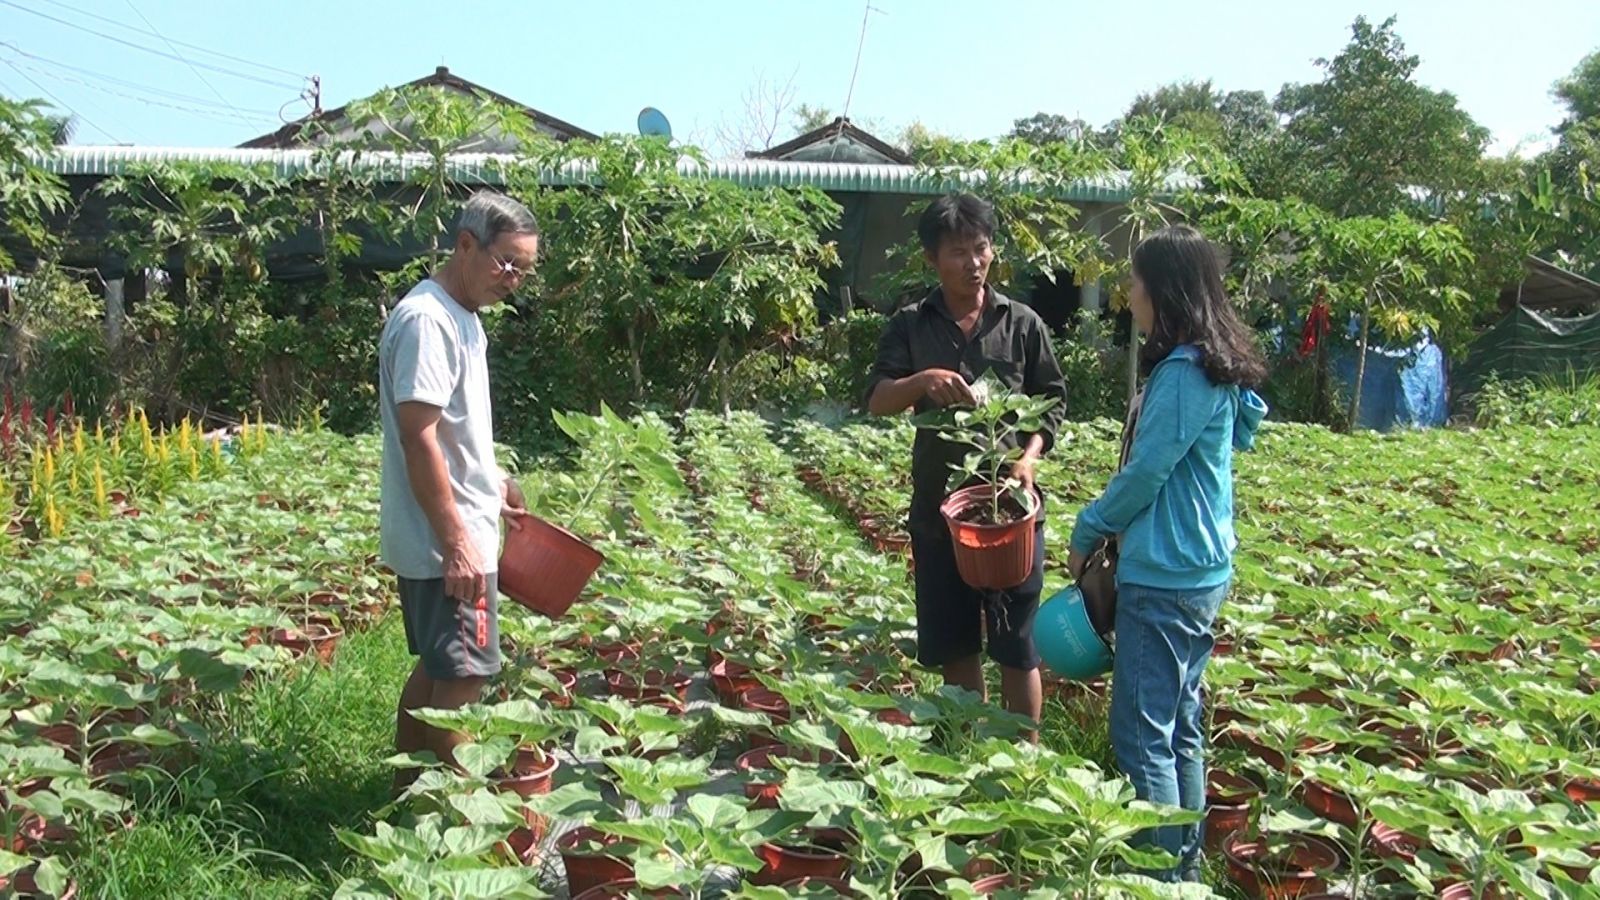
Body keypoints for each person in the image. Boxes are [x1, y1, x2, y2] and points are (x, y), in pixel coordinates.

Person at [1067, 224, 1268, 882]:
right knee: (1179, 725)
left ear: (1164, 289)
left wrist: (1089, 526)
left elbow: (1148, 471)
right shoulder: (1210, 368)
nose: (1130, 292)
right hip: (1198, 572)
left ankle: (1157, 880)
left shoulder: (1184, 374)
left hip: (1168, 576)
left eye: (1136, 280)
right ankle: (1181, 874)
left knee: (1142, 734)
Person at [865, 193, 1068, 738]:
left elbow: (1052, 402)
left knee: (1018, 645)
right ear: (932, 258)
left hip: (1013, 516)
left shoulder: (1022, 323)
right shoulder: (911, 324)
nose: (973, 263)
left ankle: (1019, 761)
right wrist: (922, 382)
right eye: (958, 252)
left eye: (981, 249)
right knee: (956, 642)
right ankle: (967, 749)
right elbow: (878, 397)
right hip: (940, 516)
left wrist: (1028, 459)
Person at [380, 190, 540, 793]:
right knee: (464, 681)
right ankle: (463, 814)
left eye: (524, 269)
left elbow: (448, 431)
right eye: (506, 263)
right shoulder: (429, 321)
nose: (514, 280)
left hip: (451, 532)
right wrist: (458, 542)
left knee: (439, 669)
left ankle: (403, 796)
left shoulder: (462, 316)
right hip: (446, 543)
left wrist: (492, 481)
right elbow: (417, 436)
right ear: (465, 245)